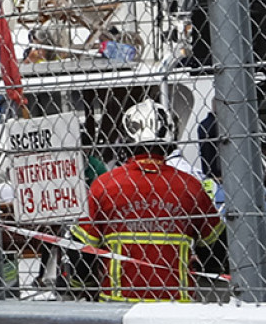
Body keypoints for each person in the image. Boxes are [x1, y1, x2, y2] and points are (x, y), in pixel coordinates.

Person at [71, 101, 221, 302]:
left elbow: (81, 253)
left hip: (117, 306)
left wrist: (83, 287)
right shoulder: (190, 186)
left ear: (127, 138)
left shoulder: (106, 185)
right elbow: (216, 252)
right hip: (176, 306)